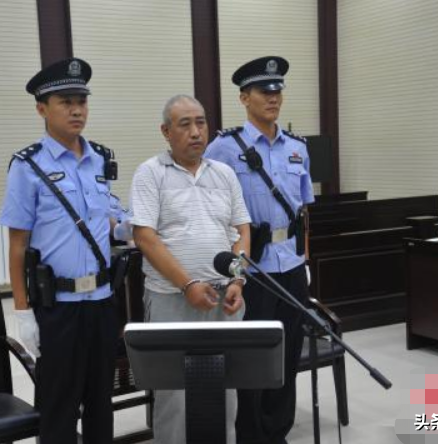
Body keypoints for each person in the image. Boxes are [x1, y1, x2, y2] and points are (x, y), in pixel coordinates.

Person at [0, 58, 130, 444]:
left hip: (102, 301)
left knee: (101, 401)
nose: (77, 110)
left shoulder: (100, 159)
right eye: (66, 102)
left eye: (82, 101)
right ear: (42, 108)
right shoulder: (27, 166)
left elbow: (107, 218)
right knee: (59, 405)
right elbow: (17, 244)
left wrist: (127, 227)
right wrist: (22, 311)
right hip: (58, 307)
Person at [205, 56, 315, 444]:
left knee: (288, 355)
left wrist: (305, 260)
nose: (273, 98)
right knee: (252, 360)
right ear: (244, 97)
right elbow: (211, 210)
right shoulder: (223, 148)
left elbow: (304, 211)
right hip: (252, 270)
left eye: (277, 91)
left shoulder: (297, 148)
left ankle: (278, 432)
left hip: (291, 265)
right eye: (264, 91)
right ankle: (251, 436)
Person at [129, 94, 251, 443]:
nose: (196, 132)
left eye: (201, 122)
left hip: (224, 298)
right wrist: (187, 284)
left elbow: (242, 230)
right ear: (166, 131)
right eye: (185, 124)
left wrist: (238, 280)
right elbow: (145, 237)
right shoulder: (151, 173)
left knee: (226, 390)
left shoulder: (224, 173)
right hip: (171, 298)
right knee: (175, 397)